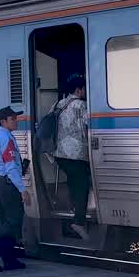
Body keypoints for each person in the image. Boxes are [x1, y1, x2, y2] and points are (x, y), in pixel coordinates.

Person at [0, 106, 30, 272]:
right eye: (13, 119)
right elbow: (10, 167)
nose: (16, 121)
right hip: (9, 184)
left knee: (5, 222)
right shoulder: (7, 139)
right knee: (13, 222)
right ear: (3, 122)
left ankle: (9, 259)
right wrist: (22, 189)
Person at [54, 74, 91, 240]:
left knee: (73, 181)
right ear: (78, 89)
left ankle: (73, 208)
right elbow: (89, 126)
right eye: (84, 89)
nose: (85, 91)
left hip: (60, 154)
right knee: (82, 185)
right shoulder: (81, 105)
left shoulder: (59, 104)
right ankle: (78, 221)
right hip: (76, 154)